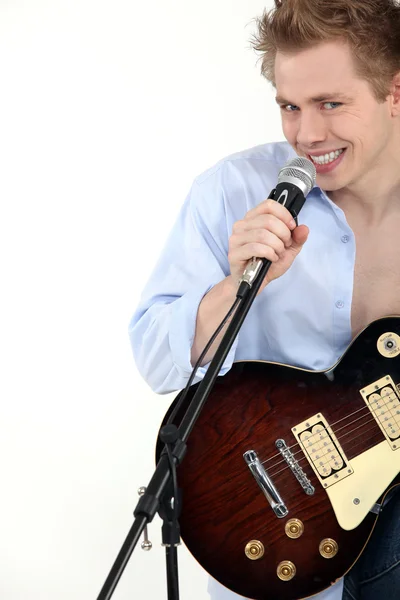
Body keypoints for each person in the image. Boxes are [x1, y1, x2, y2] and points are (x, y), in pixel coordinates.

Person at [129, 0, 400, 598]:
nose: (306, 135)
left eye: (331, 104)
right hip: (273, 531)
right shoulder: (234, 192)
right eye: (289, 106)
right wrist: (237, 286)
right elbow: (154, 356)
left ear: (395, 91)